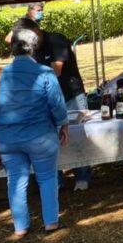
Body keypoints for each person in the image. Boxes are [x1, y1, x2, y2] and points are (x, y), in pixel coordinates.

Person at [0, 22, 68, 237]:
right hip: (40, 135)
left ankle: (20, 226)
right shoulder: (44, 72)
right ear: (33, 48)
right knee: (47, 178)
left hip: (7, 138)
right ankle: (51, 222)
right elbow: (57, 104)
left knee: (16, 181)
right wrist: (64, 123)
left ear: (13, 48)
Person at [35, 28, 91, 190]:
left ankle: (82, 177)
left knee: (78, 135)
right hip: (48, 98)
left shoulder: (56, 40)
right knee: (51, 139)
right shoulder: (31, 48)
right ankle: (58, 179)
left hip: (71, 95)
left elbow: (57, 70)